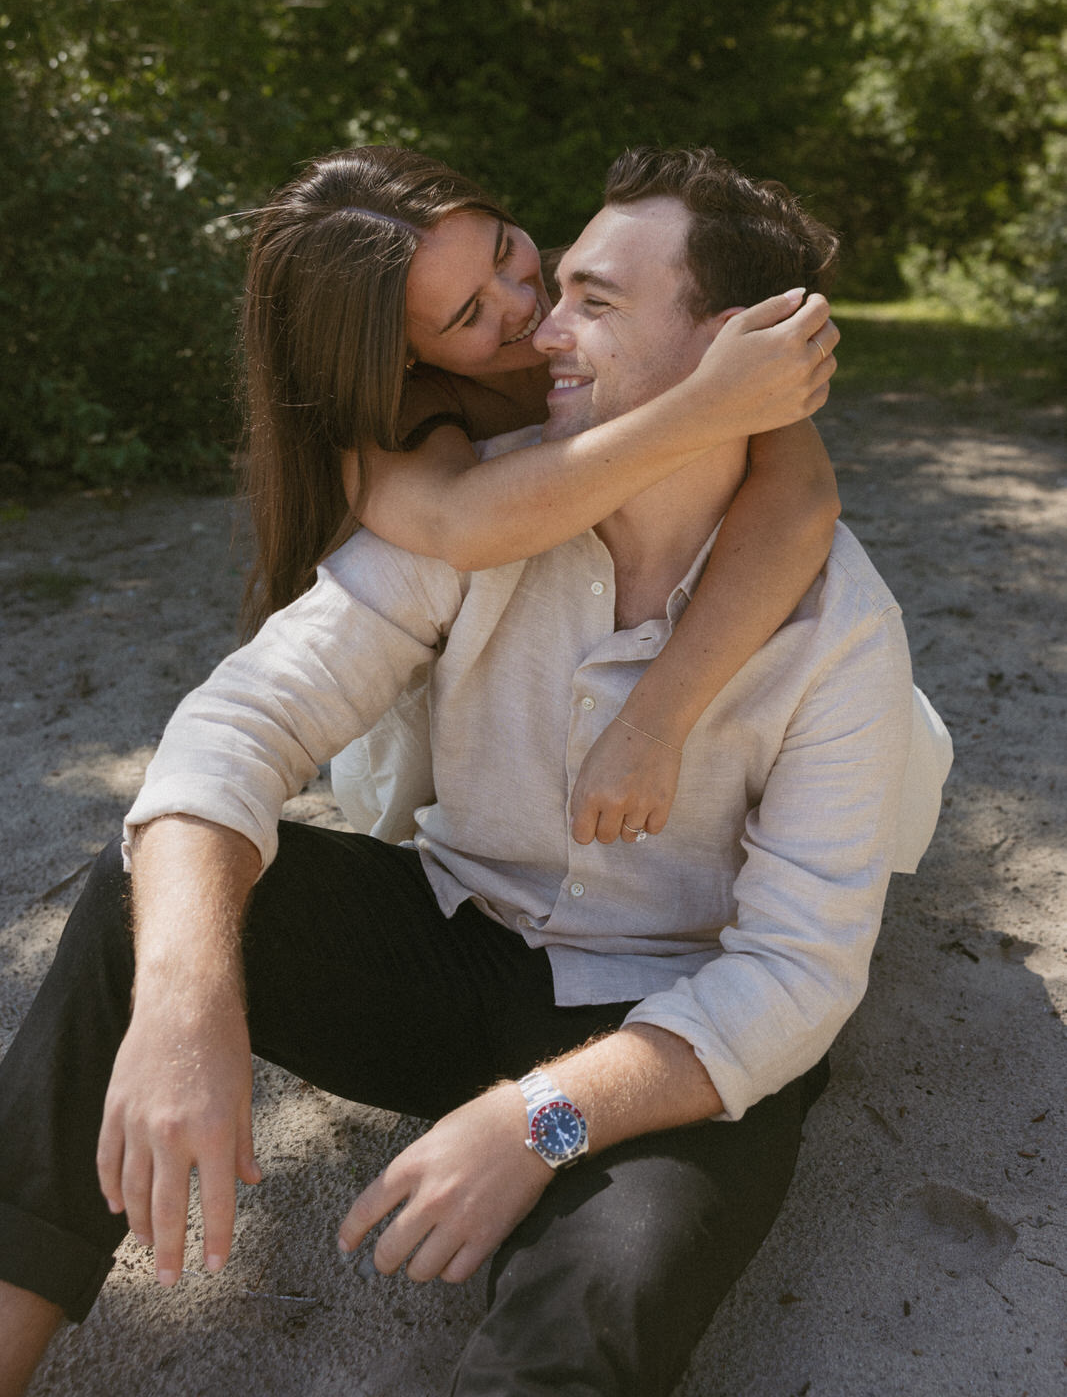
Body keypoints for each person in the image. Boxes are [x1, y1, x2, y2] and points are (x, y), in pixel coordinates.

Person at [0, 146, 951, 1397]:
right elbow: (239, 722)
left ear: (737, 349)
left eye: (586, 300)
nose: (537, 331)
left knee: (602, 1296)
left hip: (665, 1024)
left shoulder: (837, 626)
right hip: (455, 941)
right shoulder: (461, 495)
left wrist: (535, 1121)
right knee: (145, 901)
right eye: (537, 291)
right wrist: (184, 1001)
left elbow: (791, 977)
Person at [238, 146, 842, 845]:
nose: (525, 305)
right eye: (469, 314)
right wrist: (707, 403)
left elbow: (798, 499)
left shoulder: (610, 292)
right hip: (477, 716)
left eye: (503, 252)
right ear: (397, 353)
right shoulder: (392, 419)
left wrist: (655, 719)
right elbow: (463, 526)